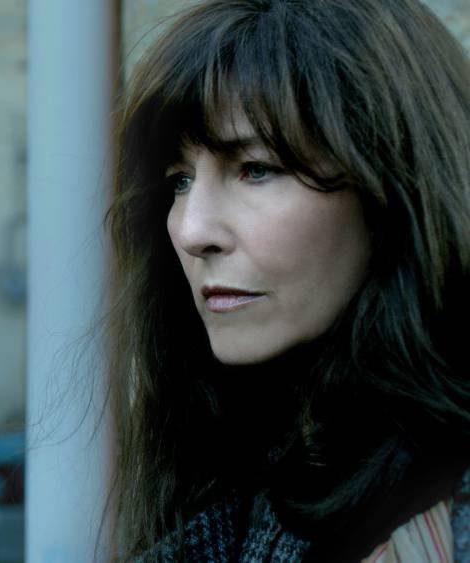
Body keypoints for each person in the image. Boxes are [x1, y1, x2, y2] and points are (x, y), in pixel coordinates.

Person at [105, 0, 470, 560]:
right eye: (179, 180)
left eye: (256, 169)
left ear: (396, 189)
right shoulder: (230, 484)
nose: (192, 230)